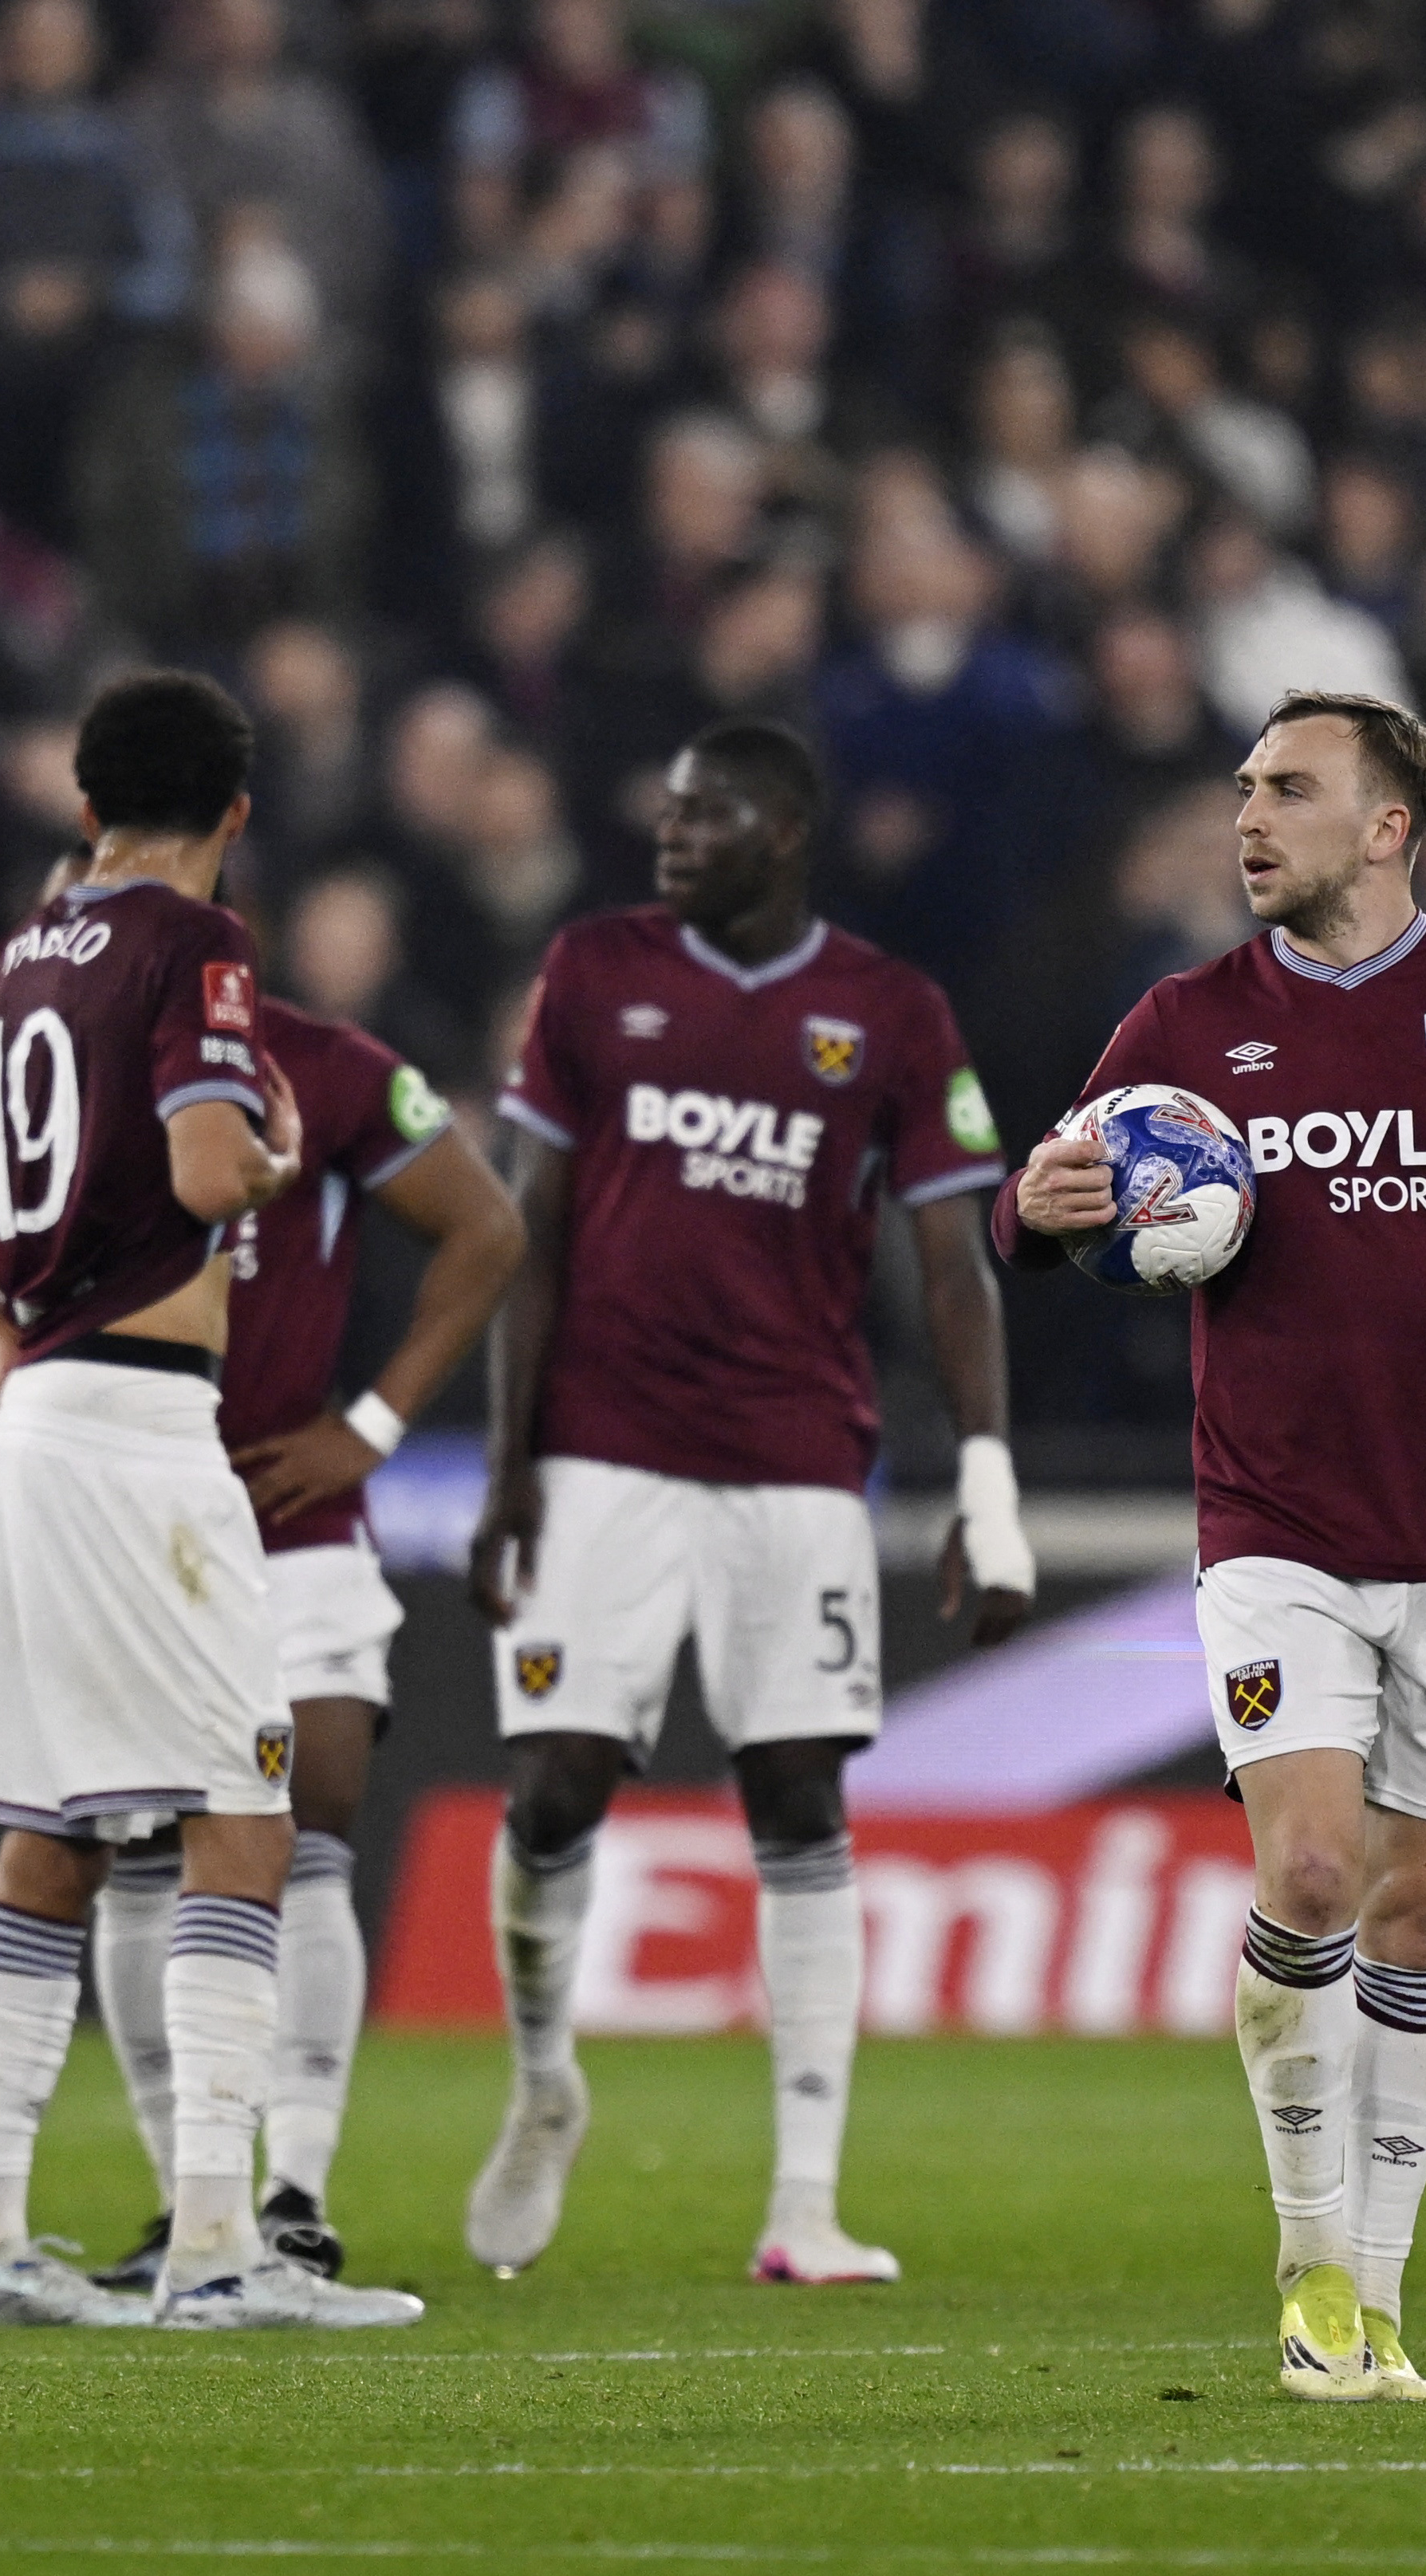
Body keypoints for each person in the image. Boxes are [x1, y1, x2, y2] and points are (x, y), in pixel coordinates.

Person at [996, 689, 1426, 2404]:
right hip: (1275, 1522)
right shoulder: (1179, 1019)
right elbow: (1054, 1209)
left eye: (1290, 789)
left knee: (1425, 1924)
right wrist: (1037, 1211)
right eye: (1242, 788)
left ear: (1387, 827)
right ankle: (1308, 2264)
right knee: (1308, 1875)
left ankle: (1378, 2297)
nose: (1250, 816)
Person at [0, 667, 420, 2330]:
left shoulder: (8, 961)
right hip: (152, 1426)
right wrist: (281, 1159)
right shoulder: (195, 947)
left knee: (50, 1833)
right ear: (236, 812)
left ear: (83, 808)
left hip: (36, 1423)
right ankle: (224, 2245)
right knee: (243, 1810)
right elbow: (215, 1171)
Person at [465, 718, 1035, 2287]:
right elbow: (534, 1221)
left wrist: (987, 1483)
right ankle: (543, 2081)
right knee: (559, 1786)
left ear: (783, 835)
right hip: (604, 1450)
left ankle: (804, 2202)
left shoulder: (890, 1013)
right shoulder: (592, 971)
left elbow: (950, 1259)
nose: (671, 834)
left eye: (706, 815)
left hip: (796, 1461)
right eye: (667, 806)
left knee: (798, 1798)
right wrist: (508, 1470)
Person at [88, 993, 522, 2290]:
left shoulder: (329, 1067)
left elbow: (484, 1227)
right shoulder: (70, 1068)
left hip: (297, 1512)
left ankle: (295, 2192)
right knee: (134, 1845)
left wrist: (373, 1426)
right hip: (130, 1512)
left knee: (312, 1818)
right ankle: (184, 2196)